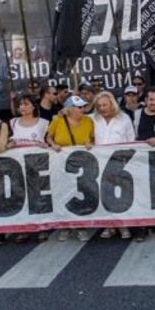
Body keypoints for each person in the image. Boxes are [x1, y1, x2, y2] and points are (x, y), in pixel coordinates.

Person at [46, 95, 94, 242]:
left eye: (83, 107)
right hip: (62, 164)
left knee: (81, 193)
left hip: (81, 165)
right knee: (62, 193)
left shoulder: (88, 121)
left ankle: (81, 226)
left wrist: (90, 143)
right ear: (69, 109)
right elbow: (48, 137)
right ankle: (65, 226)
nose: (82, 109)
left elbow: (92, 138)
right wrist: (53, 145)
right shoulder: (57, 120)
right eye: (79, 107)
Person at [93, 92, 136, 240]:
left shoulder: (124, 119)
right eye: (99, 106)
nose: (102, 108)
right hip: (100, 163)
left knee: (121, 194)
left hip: (120, 162)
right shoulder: (93, 119)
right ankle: (109, 225)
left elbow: (131, 140)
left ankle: (123, 225)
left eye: (105, 105)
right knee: (105, 195)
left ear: (112, 104)